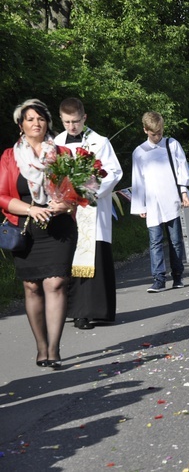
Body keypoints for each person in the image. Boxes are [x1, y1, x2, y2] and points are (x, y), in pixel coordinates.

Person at [0, 99, 78, 369]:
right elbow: (2, 196)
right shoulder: (10, 157)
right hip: (25, 228)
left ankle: (54, 349)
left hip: (59, 228)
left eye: (41, 118)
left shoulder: (63, 154)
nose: (36, 123)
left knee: (55, 283)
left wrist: (64, 203)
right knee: (32, 287)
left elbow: (77, 194)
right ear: (21, 125)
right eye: (30, 119)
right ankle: (41, 347)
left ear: (48, 123)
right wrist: (32, 209)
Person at [53, 98, 123, 330]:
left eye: (75, 121)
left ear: (85, 118)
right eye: (66, 122)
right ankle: (77, 312)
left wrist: (89, 187)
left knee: (95, 256)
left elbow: (114, 171)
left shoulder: (99, 142)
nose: (71, 127)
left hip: (91, 207)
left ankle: (98, 310)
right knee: (70, 257)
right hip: (66, 210)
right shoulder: (56, 143)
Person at [131, 112, 189, 292]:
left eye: (159, 133)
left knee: (175, 241)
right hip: (152, 203)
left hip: (172, 199)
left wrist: (184, 193)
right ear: (145, 131)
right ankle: (158, 279)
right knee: (155, 241)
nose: (157, 137)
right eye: (153, 134)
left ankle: (178, 275)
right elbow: (137, 180)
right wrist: (139, 205)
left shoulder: (172, 145)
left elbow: (182, 169)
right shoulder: (139, 152)